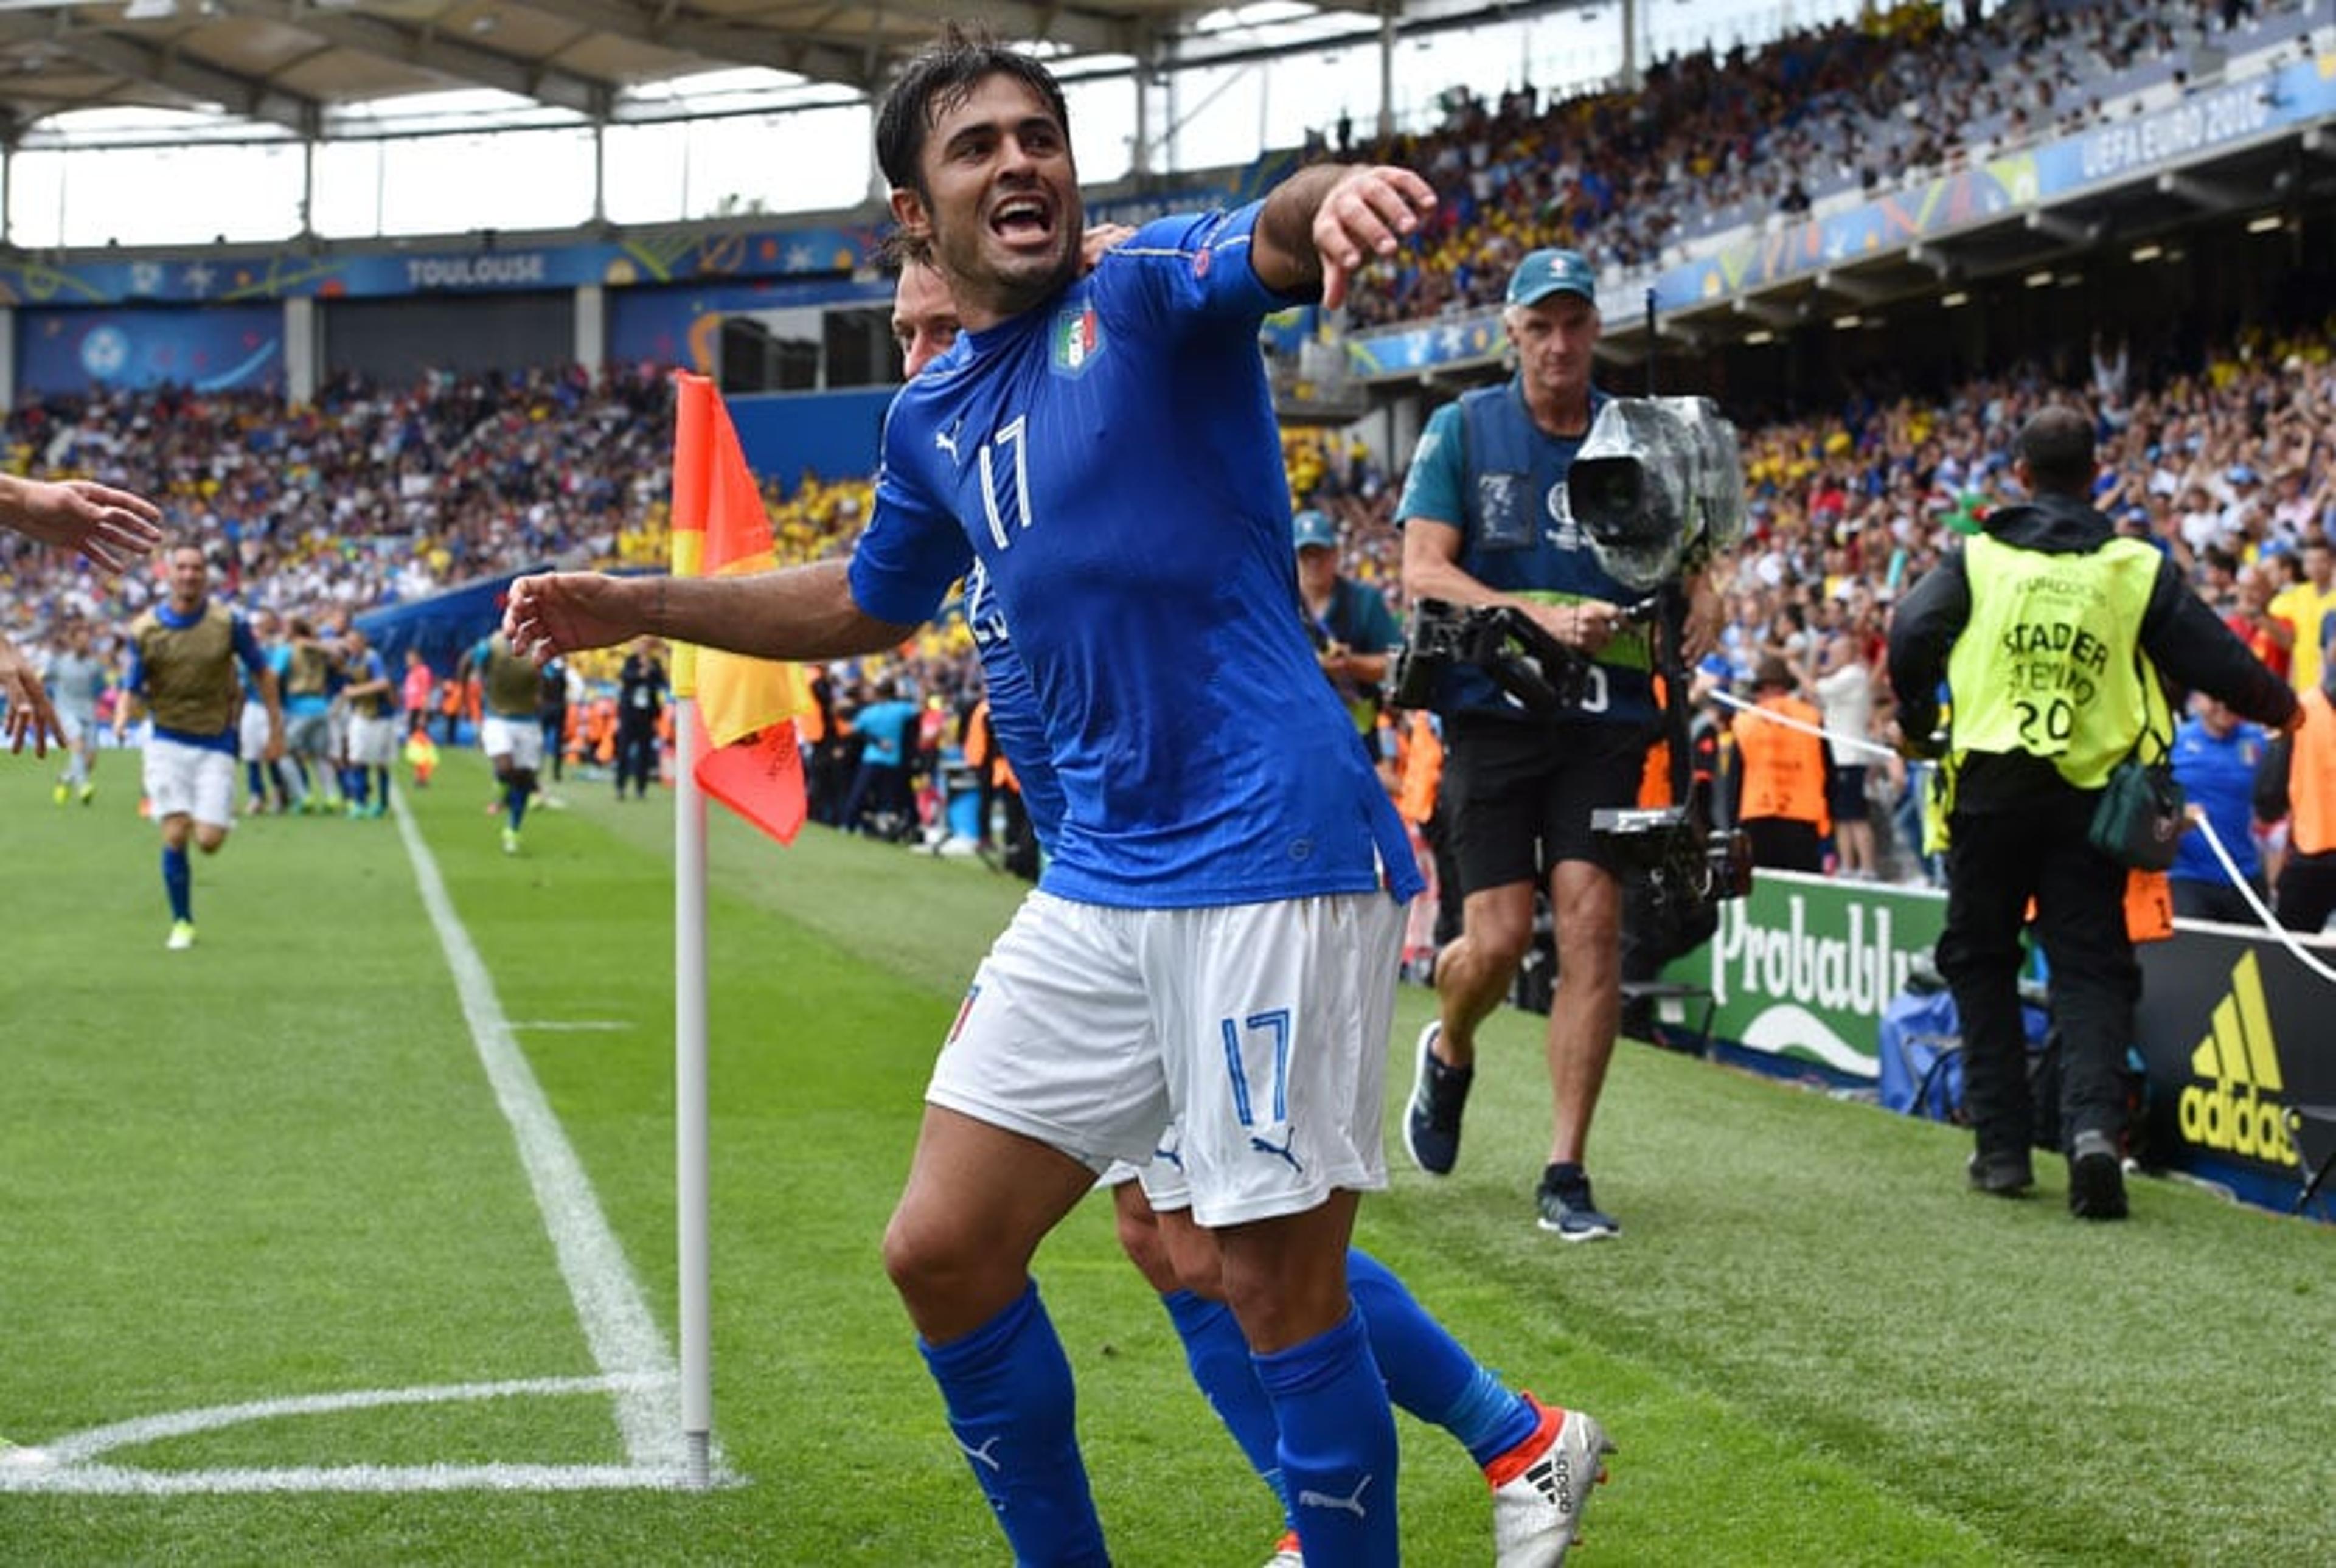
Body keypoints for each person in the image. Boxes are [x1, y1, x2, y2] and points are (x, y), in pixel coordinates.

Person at [502, 30, 1603, 1564]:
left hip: (1267, 858)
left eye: (1039, 135)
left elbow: (1271, 235)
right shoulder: (932, 416)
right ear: (915, 213)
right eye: (976, 147)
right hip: (1100, 883)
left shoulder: (1143, 292)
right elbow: (865, 604)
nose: (1018, 160)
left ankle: (1485, 1466)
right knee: (942, 1249)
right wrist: (641, 602)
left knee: (1273, 1286)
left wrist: (1332, 193)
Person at [894, 244, 1607, 1568]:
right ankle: (1472, 1452)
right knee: (1170, 1242)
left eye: (936, 329)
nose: (922, 360)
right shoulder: (964, 464)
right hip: (1103, 893)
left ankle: (1505, 1438)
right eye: (903, 336)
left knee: (1234, 1248)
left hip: (1212, 877)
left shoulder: (1092, 431)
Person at [1886, 406, 2299, 1219]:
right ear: (2095, 473)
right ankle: (2093, 1137)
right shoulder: (2132, 567)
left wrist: (1915, 716)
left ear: (2022, 476)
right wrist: (2282, 706)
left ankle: (2002, 1149)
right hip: (2091, 802)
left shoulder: (1979, 559)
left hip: (1990, 794)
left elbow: (1910, 630)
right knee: (2090, 968)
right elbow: (2213, 654)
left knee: (1981, 961)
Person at [1395, 245, 1719, 1240]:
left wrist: (1707, 588)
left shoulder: (1644, 434)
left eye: (1576, 323)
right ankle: (1451, 1047)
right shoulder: (1463, 427)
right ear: (1513, 334)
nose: (1560, 343)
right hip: (1493, 710)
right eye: (1542, 325)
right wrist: (1536, 611)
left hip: (1608, 717)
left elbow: (1696, 546)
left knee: (1588, 925)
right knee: (1492, 941)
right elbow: (1423, 570)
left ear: (1596, 331)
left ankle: (1565, 1167)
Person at [118, 544, 283, 950]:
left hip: (216, 741)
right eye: (183, 568)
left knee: (208, 841)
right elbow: (131, 685)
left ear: (206, 575)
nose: (190, 575)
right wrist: (123, 716)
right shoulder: (146, 629)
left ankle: (195, 815)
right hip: (167, 740)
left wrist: (277, 729)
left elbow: (263, 674)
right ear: (169, 575)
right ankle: (182, 922)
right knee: (174, 833)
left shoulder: (229, 623)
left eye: (197, 568)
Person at [2255, 619, 2336, 934]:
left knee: (2292, 963)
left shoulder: (2299, 708)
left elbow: (2268, 797)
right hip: (2310, 854)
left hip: (2311, 858)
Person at [1295, 507, 1402, 734]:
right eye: (1306, 554)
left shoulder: (1365, 600)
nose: (1314, 562)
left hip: (1360, 728)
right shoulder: (1284, 607)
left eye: (1320, 552)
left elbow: (1395, 663)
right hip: (1300, 727)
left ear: (1336, 553)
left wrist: (1351, 663)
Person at [2166, 694, 2268, 924]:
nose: (2224, 705)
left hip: (2244, 875)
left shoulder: (2258, 742)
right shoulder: (2175, 743)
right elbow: (2151, 807)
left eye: (2231, 696)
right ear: (2198, 698)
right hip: (2188, 877)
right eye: (2215, 697)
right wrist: (2179, 815)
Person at [1731, 654, 1830, 873]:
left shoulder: (1744, 722)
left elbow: (1735, 780)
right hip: (1803, 817)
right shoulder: (1811, 718)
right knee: (1804, 890)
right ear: (1785, 687)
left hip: (1757, 816)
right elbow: (1828, 770)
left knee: (1765, 891)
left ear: (1761, 689)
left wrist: (1733, 824)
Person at [467, 628, 546, 855]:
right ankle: (501, 788)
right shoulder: (493, 644)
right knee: (505, 764)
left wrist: (541, 694)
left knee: (523, 776)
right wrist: (468, 689)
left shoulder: (539, 646)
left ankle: (513, 829)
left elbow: (547, 675)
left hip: (528, 720)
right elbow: (469, 661)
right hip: (498, 717)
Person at [43, 620, 109, 805]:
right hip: (65, 711)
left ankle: (64, 779)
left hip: (88, 712)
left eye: (86, 640)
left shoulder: (94, 665)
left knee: (90, 761)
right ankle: (83, 787)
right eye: (80, 640)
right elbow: (43, 677)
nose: (84, 644)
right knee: (78, 743)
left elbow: (102, 686)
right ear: (72, 642)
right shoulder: (60, 662)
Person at [338, 623, 396, 819]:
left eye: (355, 642)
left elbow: (383, 683)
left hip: (380, 715)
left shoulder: (372, 659)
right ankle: (360, 801)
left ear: (363, 643)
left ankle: (381, 802)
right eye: (349, 643)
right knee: (356, 758)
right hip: (361, 714)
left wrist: (356, 691)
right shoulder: (350, 662)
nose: (351, 646)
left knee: (380, 761)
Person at [2268, 534, 2335, 695]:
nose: (2316, 567)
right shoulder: (2293, 596)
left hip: (2331, 686)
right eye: (2310, 561)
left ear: (2332, 563)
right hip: (2302, 686)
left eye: (2321, 561)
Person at [613, 638, 667, 801]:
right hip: (629, 714)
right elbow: (626, 678)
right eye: (640, 644)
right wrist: (639, 674)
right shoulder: (630, 661)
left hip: (646, 715)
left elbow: (662, 682)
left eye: (645, 645)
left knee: (644, 753)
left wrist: (651, 670)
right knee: (624, 751)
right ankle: (621, 787)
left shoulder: (655, 663)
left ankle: (641, 789)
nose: (642, 647)